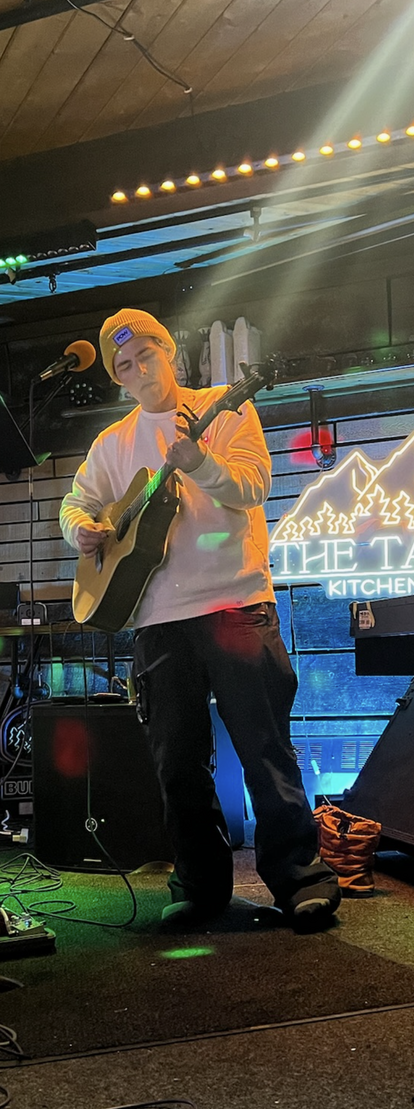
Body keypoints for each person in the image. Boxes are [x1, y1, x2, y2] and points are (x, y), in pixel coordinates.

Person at [59, 309, 340, 933]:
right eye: (124, 365)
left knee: (264, 751)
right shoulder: (113, 443)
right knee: (177, 764)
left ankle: (301, 879)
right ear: (117, 378)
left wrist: (200, 462)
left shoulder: (224, 407)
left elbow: (254, 485)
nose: (138, 370)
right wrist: (81, 527)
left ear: (170, 353)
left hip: (236, 603)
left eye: (147, 354)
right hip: (158, 618)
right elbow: (77, 502)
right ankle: (200, 886)